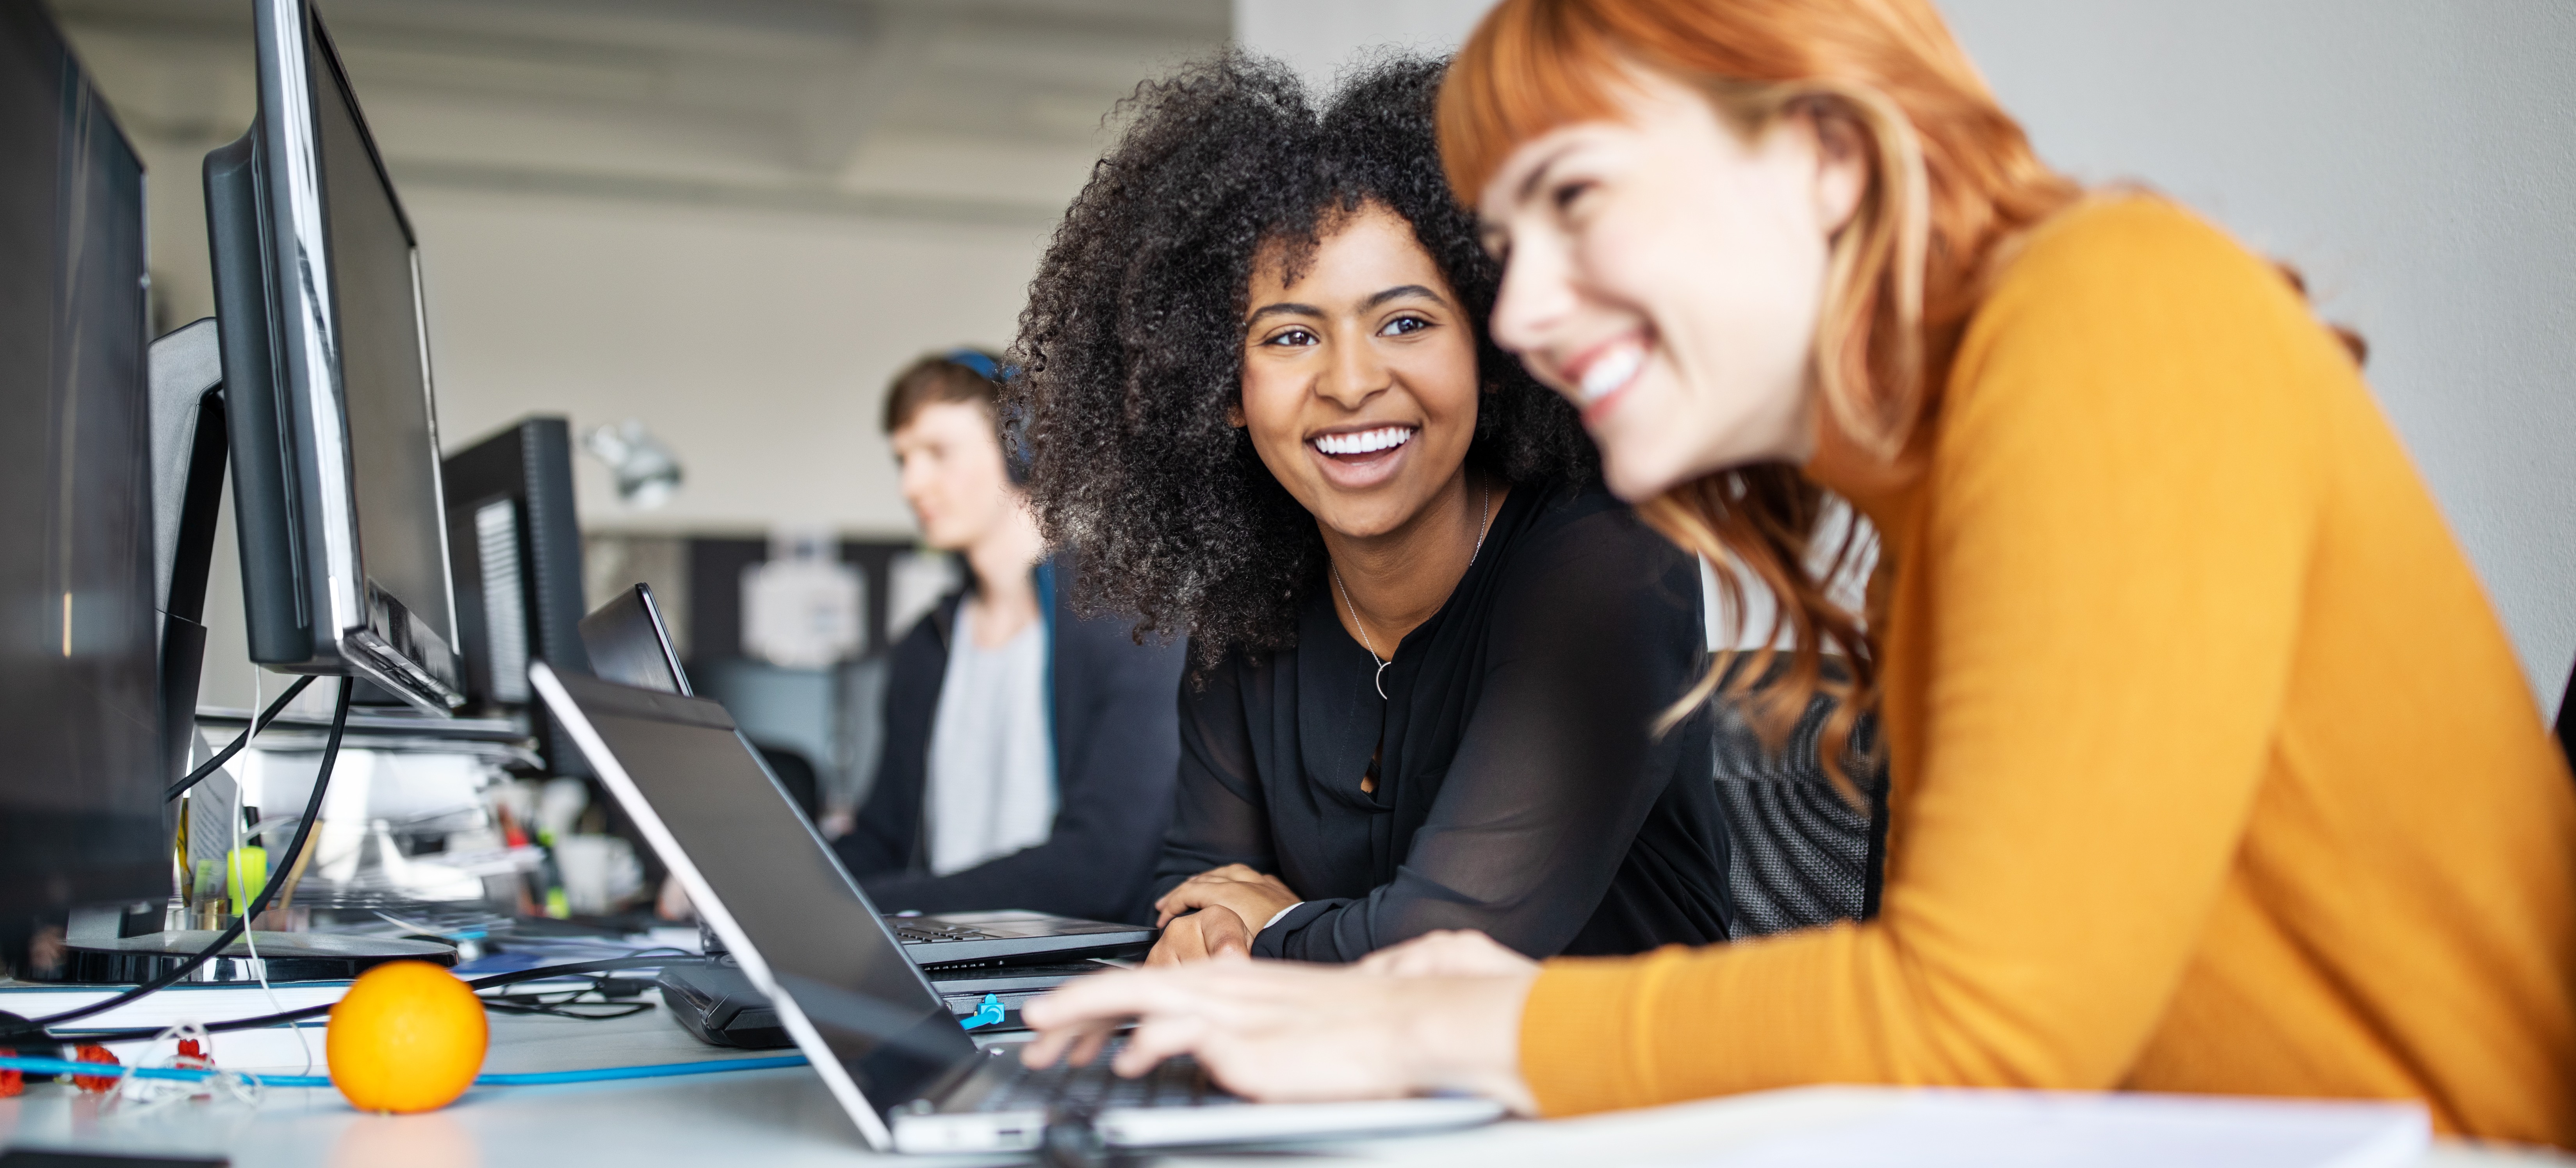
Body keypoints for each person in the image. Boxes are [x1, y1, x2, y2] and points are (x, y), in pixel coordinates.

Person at [1017, 0, 2576, 1145]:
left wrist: (1413, 1014)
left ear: (1823, 156)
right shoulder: (1945, 475)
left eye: (1573, 204)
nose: (1529, 310)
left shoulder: (2106, 310)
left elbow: (1980, 1023)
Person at [1009, 56, 1729, 965]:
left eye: (1404, 323)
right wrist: (1236, 936)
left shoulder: (1610, 563)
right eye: (1292, 336)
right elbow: (1193, 911)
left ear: (1493, 346)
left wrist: (1269, 926)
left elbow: (1448, 947)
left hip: (1616, 1098)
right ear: (1223, 388)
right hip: (1349, 1093)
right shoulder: (1248, 610)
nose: (1350, 383)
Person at [832, 351, 1188, 924]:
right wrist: (758, 890)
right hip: (937, 968)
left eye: (937, 453)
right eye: (902, 459)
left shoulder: (1131, 628)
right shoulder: (927, 645)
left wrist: (862, 907)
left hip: (1075, 975)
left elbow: (1100, 868)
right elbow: (881, 841)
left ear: (1021, 448)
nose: (911, 483)